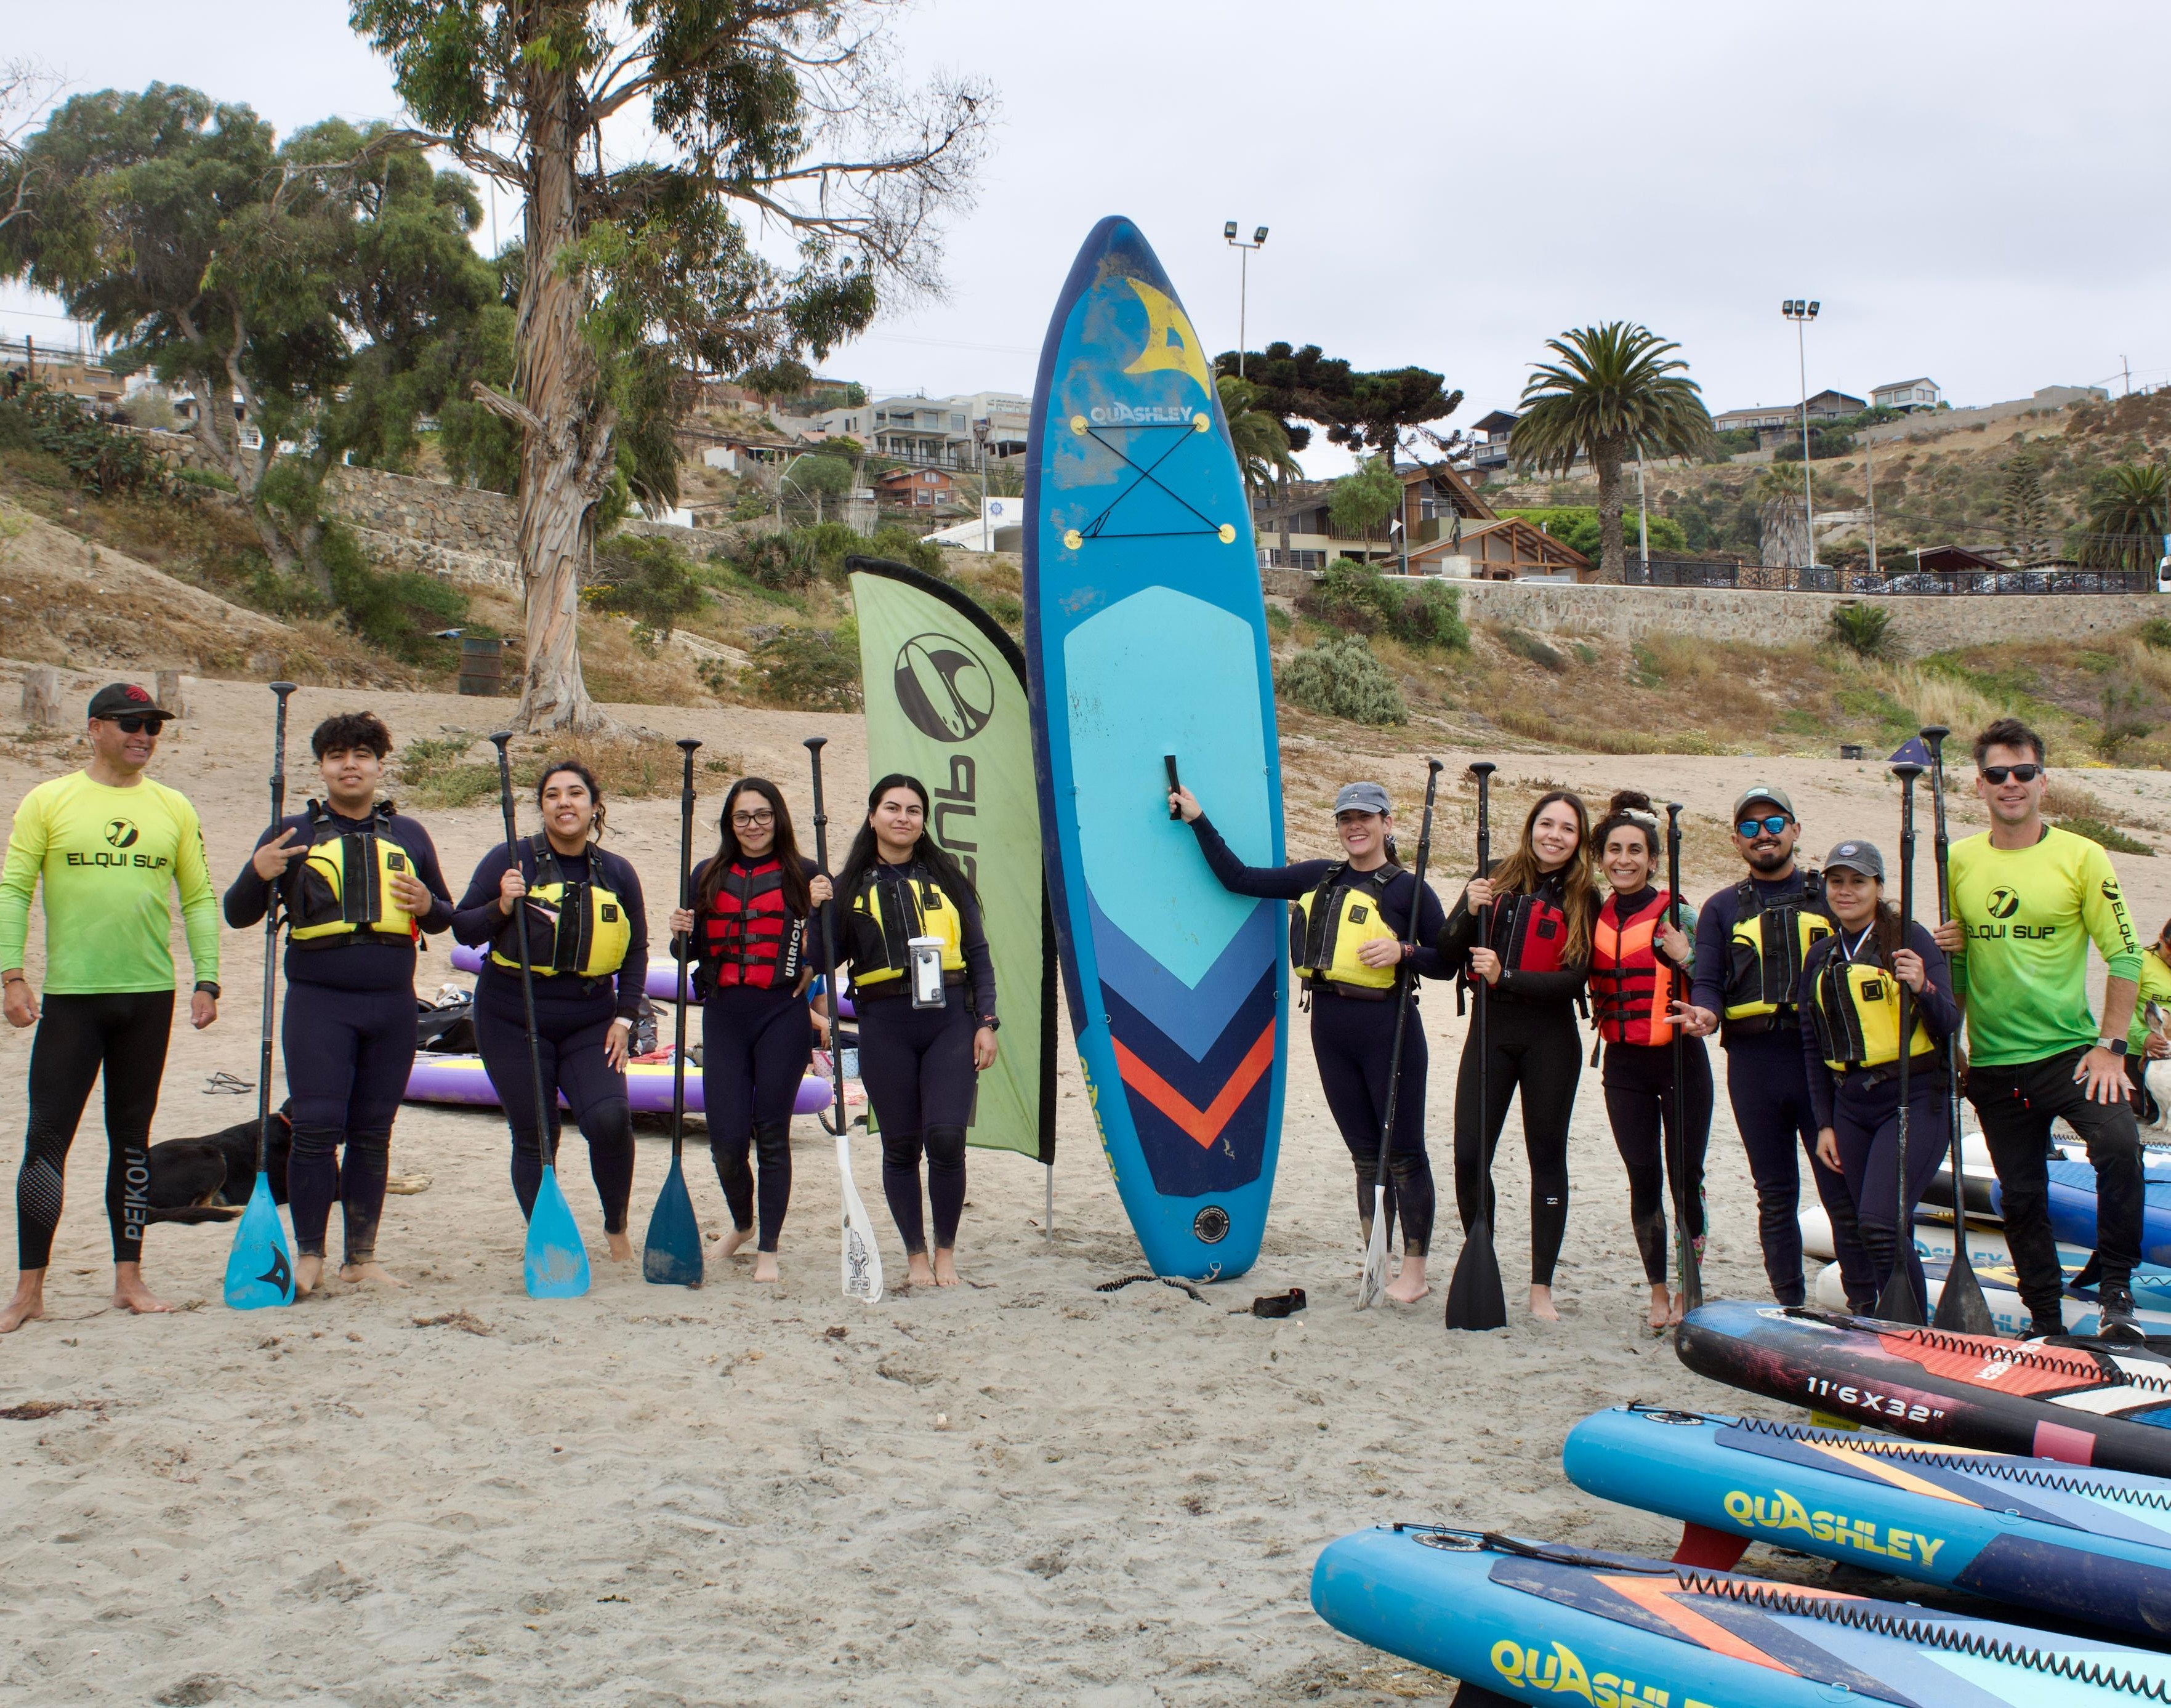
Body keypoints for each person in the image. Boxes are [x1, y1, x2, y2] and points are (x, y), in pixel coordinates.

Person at [1172, 778, 1449, 1303]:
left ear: (1387, 824)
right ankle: (1376, 1263)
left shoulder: (1409, 891)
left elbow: (1446, 963)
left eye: (1365, 818)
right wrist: (1198, 819)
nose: (1355, 827)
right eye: (1346, 819)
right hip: (1330, 1030)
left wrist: (1405, 953)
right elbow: (1239, 878)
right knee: (1364, 1156)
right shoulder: (1317, 877)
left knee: (1404, 1155)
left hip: (1388, 1030)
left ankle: (1414, 1273)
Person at [0, 683, 218, 1331]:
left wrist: (208, 979)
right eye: (130, 724)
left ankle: (129, 1279)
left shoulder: (173, 806)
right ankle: (29, 1290)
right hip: (72, 999)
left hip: (148, 997)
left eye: (153, 725)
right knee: (47, 1142)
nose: (144, 735)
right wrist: (12, 975)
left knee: (132, 1143)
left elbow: (198, 897)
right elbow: (14, 890)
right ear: (95, 728)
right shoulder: (49, 800)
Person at [223, 712, 454, 1294]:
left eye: (362, 755)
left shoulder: (410, 835)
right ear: (322, 767)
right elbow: (238, 913)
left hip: (392, 1006)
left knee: (374, 1132)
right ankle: (310, 1256)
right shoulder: (291, 833)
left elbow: (443, 920)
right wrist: (258, 872)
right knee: (315, 1128)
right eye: (337, 756)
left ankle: (361, 1258)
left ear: (379, 765)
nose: (350, 766)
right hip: (319, 1004)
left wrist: (427, 903)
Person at [1931, 717, 2146, 1340]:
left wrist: (2111, 1048)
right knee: (2021, 1196)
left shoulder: (2082, 855)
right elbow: (1959, 964)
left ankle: (2116, 1293)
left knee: (2119, 1147)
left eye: (2023, 772)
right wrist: (1953, 1044)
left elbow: (2126, 955)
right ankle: (2045, 1320)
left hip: (2070, 1054)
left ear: (2042, 782)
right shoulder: (1958, 859)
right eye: (1997, 773)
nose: (2011, 783)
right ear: (1979, 784)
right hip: (1994, 1063)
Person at [1680, 784, 1876, 1311]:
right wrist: (1706, 1012)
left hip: (1822, 1065)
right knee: (1775, 1193)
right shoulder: (1722, 908)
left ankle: (1866, 1307)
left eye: (1773, 824)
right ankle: (1790, 1306)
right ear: (1736, 841)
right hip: (1754, 1066)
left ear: (1794, 830)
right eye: (1749, 827)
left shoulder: (1829, 897)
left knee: (1840, 1192)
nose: (1762, 835)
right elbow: (1708, 981)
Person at [453, 759, 648, 1261]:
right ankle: (549, 1236)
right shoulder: (509, 859)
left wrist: (625, 1017)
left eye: (576, 793)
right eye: (553, 795)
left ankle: (617, 1229)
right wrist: (501, 905)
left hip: (591, 1018)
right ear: (541, 808)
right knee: (537, 1134)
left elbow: (636, 951)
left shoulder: (618, 872)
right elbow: (463, 929)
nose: (565, 803)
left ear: (594, 805)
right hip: (512, 1015)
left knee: (610, 1119)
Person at [1436, 789, 1597, 1323]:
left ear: (1579, 840)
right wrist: (1470, 910)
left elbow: (1575, 978)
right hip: (1490, 1033)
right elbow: (1446, 951)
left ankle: (1541, 1287)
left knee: (1546, 1159)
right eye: (1547, 824)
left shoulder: (1584, 896)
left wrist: (1505, 975)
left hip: (1550, 1040)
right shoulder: (1494, 876)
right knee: (1468, 1155)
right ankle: (1482, 1259)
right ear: (1531, 827)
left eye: (1568, 829)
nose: (1555, 836)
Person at [833, 775, 996, 1287]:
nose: (902, 818)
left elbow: (978, 955)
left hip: (950, 1021)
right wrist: (818, 909)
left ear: (924, 822)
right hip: (885, 1026)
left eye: (913, 810)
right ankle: (916, 1257)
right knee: (901, 1147)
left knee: (946, 1139)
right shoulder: (848, 887)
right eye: (892, 808)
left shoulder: (948, 879)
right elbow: (824, 957)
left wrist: (987, 1021)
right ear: (872, 817)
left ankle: (946, 1252)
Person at [667, 777, 832, 1284]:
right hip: (724, 1016)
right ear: (729, 823)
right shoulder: (706, 874)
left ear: (777, 818)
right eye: (742, 817)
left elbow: (829, 951)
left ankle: (769, 1248)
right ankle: (743, 1224)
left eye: (762, 815)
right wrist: (679, 933)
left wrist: (821, 911)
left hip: (781, 1015)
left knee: (772, 1135)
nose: (753, 825)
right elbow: (685, 954)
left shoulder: (806, 874)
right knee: (726, 1140)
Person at [1801, 840, 1958, 1311]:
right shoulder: (1822, 955)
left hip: (1913, 1099)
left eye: (1858, 881)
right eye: (1836, 882)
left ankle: (1911, 1328)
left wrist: (1922, 986)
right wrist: (1825, 1123)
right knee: (1864, 1226)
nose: (1845, 891)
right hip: (1852, 1107)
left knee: (1881, 1223)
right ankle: (1881, 1320)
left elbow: (1949, 1023)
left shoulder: (1910, 939)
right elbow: (1812, 1045)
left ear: (1879, 887)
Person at [1588, 791, 1711, 1331]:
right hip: (1623, 1066)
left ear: (1654, 860)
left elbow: (1716, 980)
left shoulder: (1678, 913)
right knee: (1643, 1177)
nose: (1624, 860)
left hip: (1681, 1061)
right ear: (1602, 859)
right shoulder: (1593, 914)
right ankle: (1658, 1290)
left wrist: (1689, 956)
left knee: (1684, 1177)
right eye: (1614, 850)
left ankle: (1689, 1285)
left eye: (1635, 850)